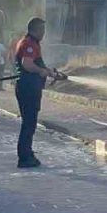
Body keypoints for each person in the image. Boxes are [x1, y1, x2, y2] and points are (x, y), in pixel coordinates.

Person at [14, 17, 65, 168]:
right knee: (29, 123)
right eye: (42, 29)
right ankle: (24, 157)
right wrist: (42, 71)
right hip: (28, 88)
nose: (44, 33)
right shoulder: (29, 44)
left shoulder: (31, 43)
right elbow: (28, 65)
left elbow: (35, 64)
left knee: (29, 123)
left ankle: (27, 153)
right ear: (36, 30)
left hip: (28, 87)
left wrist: (50, 72)